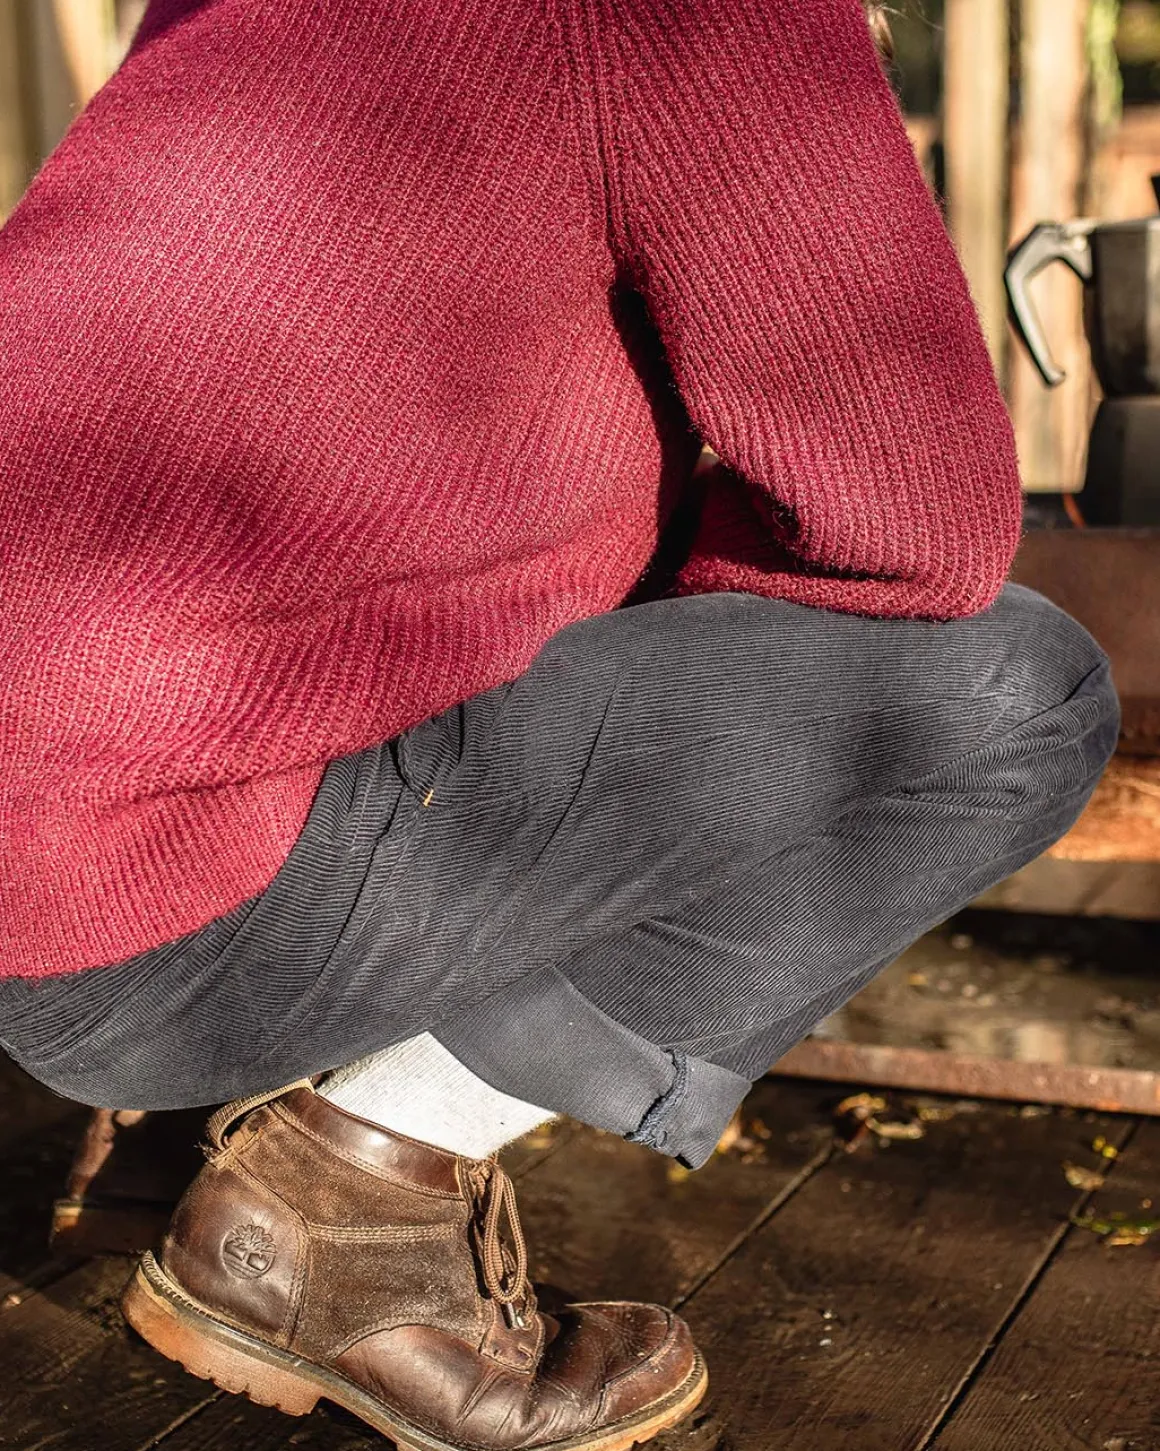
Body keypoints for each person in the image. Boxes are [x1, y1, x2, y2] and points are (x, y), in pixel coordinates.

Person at [0, 1, 1119, 1448]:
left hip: (54, 892)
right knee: (1017, 690)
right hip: (179, 931)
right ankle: (353, 1195)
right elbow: (921, 528)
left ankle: (176, 1137)